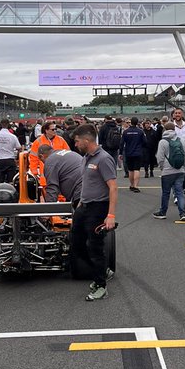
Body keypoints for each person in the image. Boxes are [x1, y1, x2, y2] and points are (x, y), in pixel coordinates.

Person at [72, 125, 117, 301]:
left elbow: (113, 187)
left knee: (95, 247)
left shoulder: (104, 159)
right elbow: (87, 183)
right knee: (76, 245)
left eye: (76, 141)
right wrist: (81, 202)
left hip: (99, 207)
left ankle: (101, 286)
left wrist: (111, 215)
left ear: (86, 140)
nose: (75, 144)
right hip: (84, 206)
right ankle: (103, 270)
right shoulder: (85, 158)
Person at [153, 119, 185, 220]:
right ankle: (182, 214)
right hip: (180, 170)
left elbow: (159, 157)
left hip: (167, 171)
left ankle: (163, 212)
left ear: (164, 129)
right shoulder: (180, 140)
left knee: (166, 193)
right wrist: (183, 166)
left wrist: (162, 167)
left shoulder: (163, 141)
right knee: (179, 192)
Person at [120, 116, 147, 192]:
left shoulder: (125, 132)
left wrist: (120, 153)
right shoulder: (141, 131)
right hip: (138, 152)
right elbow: (145, 142)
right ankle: (135, 185)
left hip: (128, 152)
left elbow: (121, 143)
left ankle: (131, 185)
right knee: (137, 169)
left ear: (131, 122)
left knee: (130, 170)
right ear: (137, 122)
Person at [0, 118, 21, 183]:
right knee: (11, 182)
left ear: (0, 125)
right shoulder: (13, 136)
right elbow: (19, 148)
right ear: (9, 125)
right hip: (10, 160)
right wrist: (17, 158)